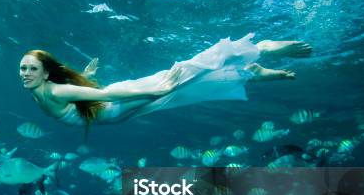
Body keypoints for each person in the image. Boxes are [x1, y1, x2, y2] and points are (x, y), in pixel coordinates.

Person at [19, 33, 312, 127]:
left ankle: (259, 47)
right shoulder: (40, 90)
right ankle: (251, 73)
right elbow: (82, 96)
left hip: (117, 103)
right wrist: (88, 77)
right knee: (181, 87)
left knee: (179, 78)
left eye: (32, 69)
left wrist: (156, 92)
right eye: (23, 68)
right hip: (117, 111)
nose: (25, 74)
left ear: (45, 73)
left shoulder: (55, 90)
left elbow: (106, 98)